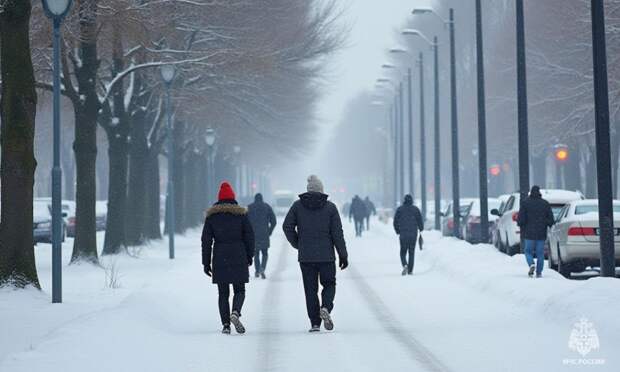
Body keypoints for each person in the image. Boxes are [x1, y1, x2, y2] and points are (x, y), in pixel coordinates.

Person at [283, 175, 348, 333]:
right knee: (329, 284)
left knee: (310, 290)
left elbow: (287, 226)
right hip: (326, 255)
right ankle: (325, 306)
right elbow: (337, 233)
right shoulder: (330, 208)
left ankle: (315, 323)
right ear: (321, 189)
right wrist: (343, 254)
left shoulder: (297, 206)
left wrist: (298, 243)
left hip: (306, 257)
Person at [202, 182, 255, 334]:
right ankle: (236, 312)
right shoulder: (241, 215)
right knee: (240, 290)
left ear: (219, 199)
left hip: (220, 256)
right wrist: (249, 255)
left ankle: (226, 325)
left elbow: (206, 241)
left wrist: (206, 263)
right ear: (233, 198)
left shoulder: (212, 216)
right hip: (239, 255)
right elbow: (249, 236)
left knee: (223, 293)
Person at [517, 185, 555, 278]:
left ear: (531, 192)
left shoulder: (525, 203)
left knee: (528, 251)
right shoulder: (545, 203)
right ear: (539, 192)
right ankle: (539, 272)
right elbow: (551, 219)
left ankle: (531, 264)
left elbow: (521, 219)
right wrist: (546, 223)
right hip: (541, 233)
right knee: (540, 253)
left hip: (529, 232)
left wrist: (521, 225)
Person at [248, 193, 277, 279]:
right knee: (265, 253)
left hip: (253, 235)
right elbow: (274, 221)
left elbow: (245, 221)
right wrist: (269, 231)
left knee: (256, 253)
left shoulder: (249, 207)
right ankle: (262, 268)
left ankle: (257, 270)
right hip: (264, 234)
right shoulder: (267, 207)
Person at [393, 194, 424, 276]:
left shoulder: (400, 209)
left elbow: (395, 222)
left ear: (404, 200)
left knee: (403, 252)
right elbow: (420, 221)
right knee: (411, 252)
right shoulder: (415, 209)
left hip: (403, 234)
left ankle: (405, 265)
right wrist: (421, 228)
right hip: (413, 234)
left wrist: (398, 231)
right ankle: (410, 270)